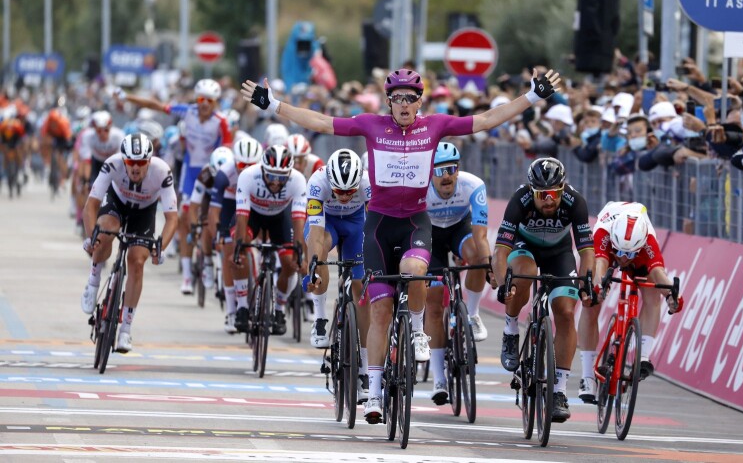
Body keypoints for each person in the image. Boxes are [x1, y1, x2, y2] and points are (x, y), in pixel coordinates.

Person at [241, 65, 561, 424]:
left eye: (411, 98)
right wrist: (273, 105)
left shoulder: (435, 125)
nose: (404, 105)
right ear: (388, 102)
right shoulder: (371, 124)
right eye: (398, 99)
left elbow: (486, 119)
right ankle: (374, 393)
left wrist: (532, 96)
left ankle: (420, 331)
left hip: (414, 222)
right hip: (378, 224)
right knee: (379, 311)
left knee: (415, 270)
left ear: (420, 102)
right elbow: (320, 122)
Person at [491, 157, 594, 423]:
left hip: (559, 253)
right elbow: (500, 251)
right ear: (532, 191)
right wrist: (504, 285)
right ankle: (511, 330)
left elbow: (586, 250)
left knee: (566, 312)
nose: (549, 200)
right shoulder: (520, 201)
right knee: (520, 279)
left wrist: (587, 282)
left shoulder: (575, 202)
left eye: (554, 194)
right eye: (543, 195)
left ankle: (558, 391)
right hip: (525, 247)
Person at [121, 79, 232, 295]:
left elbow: (228, 150)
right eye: (201, 99)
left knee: (211, 217)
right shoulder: (187, 112)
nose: (205, 104)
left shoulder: (222, 121)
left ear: (216, 102)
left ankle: (208, 261)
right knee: (184, 218)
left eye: (210, 100)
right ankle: (188, 276)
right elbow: (156, 104)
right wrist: (127, 97)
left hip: (212, 172)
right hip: (190, 172)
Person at [80, 133, 178, 352]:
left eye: (141, 163)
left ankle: (125, 329)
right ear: (124, 160)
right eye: (131, 162)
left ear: (149, 161)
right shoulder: (111, 164)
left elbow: (172, 218)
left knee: (137, 262)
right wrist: (90, 238)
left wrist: (161, 246)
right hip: (117, 203)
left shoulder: (162, 172)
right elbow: (91, 205)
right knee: (106, 231)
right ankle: (94, 280)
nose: (136, 168)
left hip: (144, 213)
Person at [579, 201, 683, 403]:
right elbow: (600, 264)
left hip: (638, 241)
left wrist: (673, 296)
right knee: (590, 303)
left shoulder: (648, 241)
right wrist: (598, 288)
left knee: (653, 293)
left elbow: (659, 273)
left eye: (629, 255)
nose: (624, 260)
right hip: (608, 230)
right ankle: (587, 377)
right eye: (621, 253)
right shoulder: (604, 234)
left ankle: (643, 356)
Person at [424, 141, 492, 405]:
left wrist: (486, 265)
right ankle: (439, 377)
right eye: (440, 171)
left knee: (476, 256)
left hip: (458, 229)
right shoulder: (421, 189)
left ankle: (472, 314)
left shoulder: (473, 185)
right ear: (430, 173)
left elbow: (481, 234)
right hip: (429, 234)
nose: (446, 176)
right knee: (434, 298)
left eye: (451, 169)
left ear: (458, 169)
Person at [304, 148, 371, 401]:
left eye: (349, 192)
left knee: (361, 288)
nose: (344, 196)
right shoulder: (317, 182)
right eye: (339, 191)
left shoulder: (367, 182)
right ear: (330, 180)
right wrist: (313, 266)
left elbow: (376, 223)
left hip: (356, 224)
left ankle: (365, 367)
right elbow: (316, 233)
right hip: (326, 222)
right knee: (319, 254)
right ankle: (320, 319)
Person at [233, 144, 307, 335]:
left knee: (290, 264)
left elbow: (299, 220)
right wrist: (239, 247)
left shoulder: (297, 180)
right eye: (271, 176)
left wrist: (299, 250)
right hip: (253, 216)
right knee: (238, 252)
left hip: (280, 218)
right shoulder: (248, 176)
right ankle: (241, 307)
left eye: (281, 178)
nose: (275, 182)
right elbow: (242, 214)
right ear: (263, 169)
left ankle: (279, 309)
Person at [208, 137, 263, 333]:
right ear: (234, 161)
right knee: (230, 253)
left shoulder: (265, 172)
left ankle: (261, 281)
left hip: (255, 204)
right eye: (242, 165)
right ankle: (232, 311)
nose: (246, 169)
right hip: (231, 204)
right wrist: (219, 236)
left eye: (251, 165)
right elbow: (214, 211)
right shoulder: (224, 174)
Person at [187, 146, 235, 291]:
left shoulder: (234, 173)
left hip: (228, 199)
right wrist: (195, 226)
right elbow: (194, 206)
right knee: (208, 224)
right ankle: (207, 261)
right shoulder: (205, 175)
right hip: (209, 199)